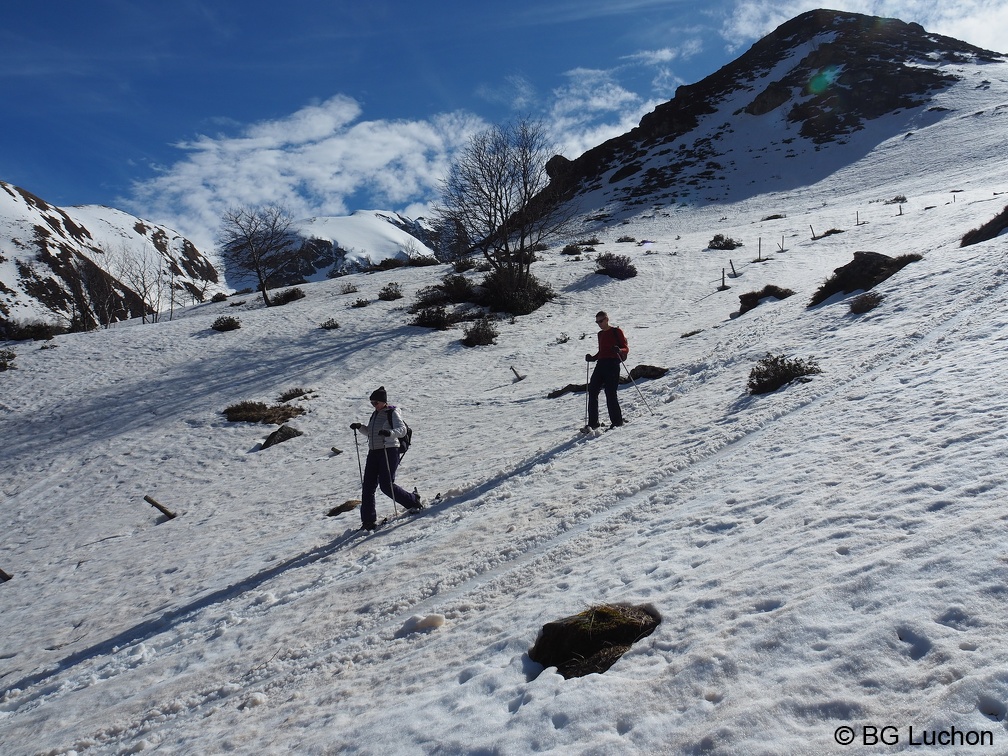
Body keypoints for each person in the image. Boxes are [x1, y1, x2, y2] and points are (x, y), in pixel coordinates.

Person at [349, 386, 423, 530]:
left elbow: (402, 430)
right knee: (368, 487)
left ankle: (414, 501)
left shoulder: (392, 412)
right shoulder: (375, 414)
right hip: (374, 452)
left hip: (389, 451)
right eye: (372, 403)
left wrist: (389, 433)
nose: (374, 405)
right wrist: (360, 427)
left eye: (376, 402)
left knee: (386, 485)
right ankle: (368, 521)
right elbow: (371, 434)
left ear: (383, 401)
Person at [585, 310, 629, 429]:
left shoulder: (616, 331)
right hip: (601, 364)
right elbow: (601, 352)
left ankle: (617, 422)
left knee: (610, 393)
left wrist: (619, 350)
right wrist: (592, 358)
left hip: (613, 364)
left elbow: (625, 348)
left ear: (607, 319)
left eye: (601, 321)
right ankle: (593, 424)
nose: (599, 323)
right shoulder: (600, 334)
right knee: (592, 391)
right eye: (597, 322)